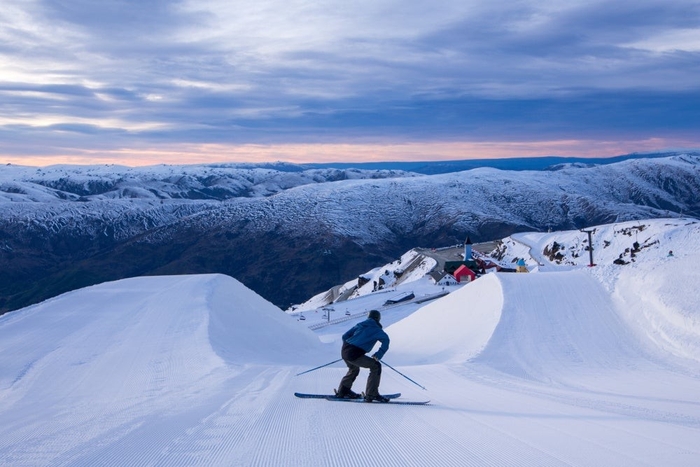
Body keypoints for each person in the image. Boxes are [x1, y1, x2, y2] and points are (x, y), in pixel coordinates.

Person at [336, 310, 391, 402]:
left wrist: (350, 348)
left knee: (354, 369)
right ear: (378, 319)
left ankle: (343, 391)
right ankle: (372, 394)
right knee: (376, 366)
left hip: (345, 350)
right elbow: (386, 341)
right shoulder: (377, 330)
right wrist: (379, 354)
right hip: (354, 353)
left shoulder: (360, 324)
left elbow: (344, 336)